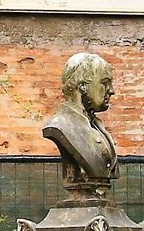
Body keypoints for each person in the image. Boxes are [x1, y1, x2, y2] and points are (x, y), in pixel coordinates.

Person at [41, 52, 119, 201]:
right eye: (105, 83)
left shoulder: (98, 127)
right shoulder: (61, 126)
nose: (111, 90)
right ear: (82, 86)